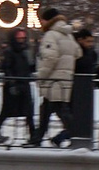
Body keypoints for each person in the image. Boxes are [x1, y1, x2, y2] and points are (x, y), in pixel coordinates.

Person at [30, 18, 80, 146]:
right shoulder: (68, 35)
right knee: (47, 109)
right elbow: (78, 52)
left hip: (53, 80)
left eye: (43, 20)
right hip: (65, 80)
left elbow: (50, 58)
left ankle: (79, 134)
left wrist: (41, 75)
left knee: (60, 111)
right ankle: (37, 138)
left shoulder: (50, 35)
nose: (41, 23)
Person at [0, 29, 36, 139]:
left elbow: (30, 67)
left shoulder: (26, 50)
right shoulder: (9, 51)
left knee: (28, 111)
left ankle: (33, 134)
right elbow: (7, 68)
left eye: (23, 38)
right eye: (19, 38)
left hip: (24, 83)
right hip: (14, 84)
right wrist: (12, 82)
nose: (21, 40)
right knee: (7, 110)